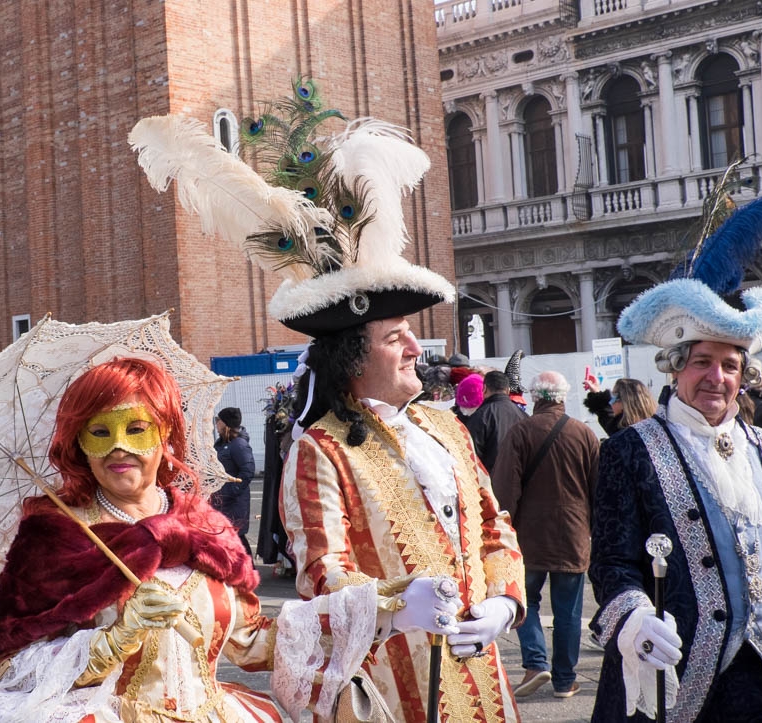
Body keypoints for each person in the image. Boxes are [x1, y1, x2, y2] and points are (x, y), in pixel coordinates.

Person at [131, 84, 526, 722]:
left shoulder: (446, 427)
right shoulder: (320, 450)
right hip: (392, 688)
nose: (413, 350)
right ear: (352, 356)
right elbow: (321, 574)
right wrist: (398, 602)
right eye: (395, 338)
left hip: (483, 681)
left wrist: (504, 604)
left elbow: (495, 524)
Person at [0, 358, 447, 722]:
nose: (118, 447)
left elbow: (252, 644)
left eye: (136, 428)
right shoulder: (55, 537)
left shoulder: (205, 528)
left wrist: (365, 607)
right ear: (78, 444)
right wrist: (114, 638)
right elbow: (13, 666)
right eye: (99, 432)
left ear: (167, 434)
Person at [590, 266, 762, 717]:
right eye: (701, 362)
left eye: (730, 366)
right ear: (675, 369)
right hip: (675, 670)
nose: (717, 377)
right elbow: (612, 562)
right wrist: (634, 619)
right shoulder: (628, 451)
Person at [491, 370, 600, 699]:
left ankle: (536, 664)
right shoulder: (585, 434)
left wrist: (502, 529)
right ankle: (565, 681)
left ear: (536, 397)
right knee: (568, 610)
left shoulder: (520, 432)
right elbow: (599, 490)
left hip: (529, 535)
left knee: (526, 602)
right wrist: (594, 531)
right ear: (563, 397)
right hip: (573, 533)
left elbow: (504, 490)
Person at [211, 406, 256, 557]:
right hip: (222, 500)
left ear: (225, 424)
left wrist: (231, 491)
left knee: (237, 537)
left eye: (218, 421)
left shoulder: (238, 444)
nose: (216, 424)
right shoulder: (223, 443)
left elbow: (247, 471)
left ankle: (249, 573)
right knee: (226, 538)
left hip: (234, 501)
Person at [465, 370, 528, 474]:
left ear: (484, 389)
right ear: (508, 390)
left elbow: (471, 455)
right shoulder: (523, 416)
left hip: (490, 482)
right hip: (520, 481)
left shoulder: (480, 416)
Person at [582, 377, 657, 437]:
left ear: (624, 402)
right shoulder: (657, 426)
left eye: (613, 396)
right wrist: (596, 391)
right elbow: (607, 417)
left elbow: (608, 420)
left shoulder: (621, 437)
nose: (611, 403)